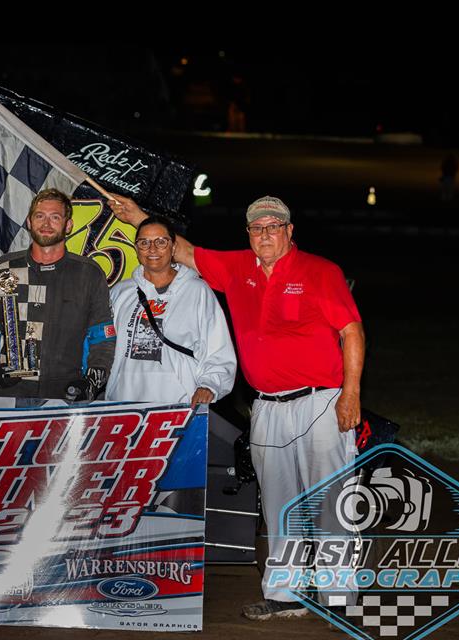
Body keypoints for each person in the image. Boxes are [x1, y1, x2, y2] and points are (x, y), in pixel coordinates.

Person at [111, 194, 364, 620]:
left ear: (289, 231)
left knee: (329, 497)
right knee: (278, 502)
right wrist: (137, 215)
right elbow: (185, 251)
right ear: (248, 234)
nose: (265, 234)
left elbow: (352, 331)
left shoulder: (320, 271)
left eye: (273, 227)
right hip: (266, 406)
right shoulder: (238, 269)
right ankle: (286, 594)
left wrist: (350, 394)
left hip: (320, 402)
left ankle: (339, 595)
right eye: (257, 228)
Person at [0, 188, 115, 400]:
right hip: (8, 393)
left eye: (55, 217)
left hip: (67, 394)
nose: (46, 224)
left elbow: (103, 336)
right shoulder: (4, 269)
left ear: (69, 225)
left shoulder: (88, 273)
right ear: (29, 222)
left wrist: (91, 382)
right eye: (40, 216)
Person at [105, 215, 236, 405]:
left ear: (174, 247)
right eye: (144, 242)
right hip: (124, 402)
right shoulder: (120, 293)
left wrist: (209, 385)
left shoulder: (197, 291)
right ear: (136, 248)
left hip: (179, 404)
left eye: (161, 242)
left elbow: (218, 349)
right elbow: (102, 345)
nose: (152, 249)